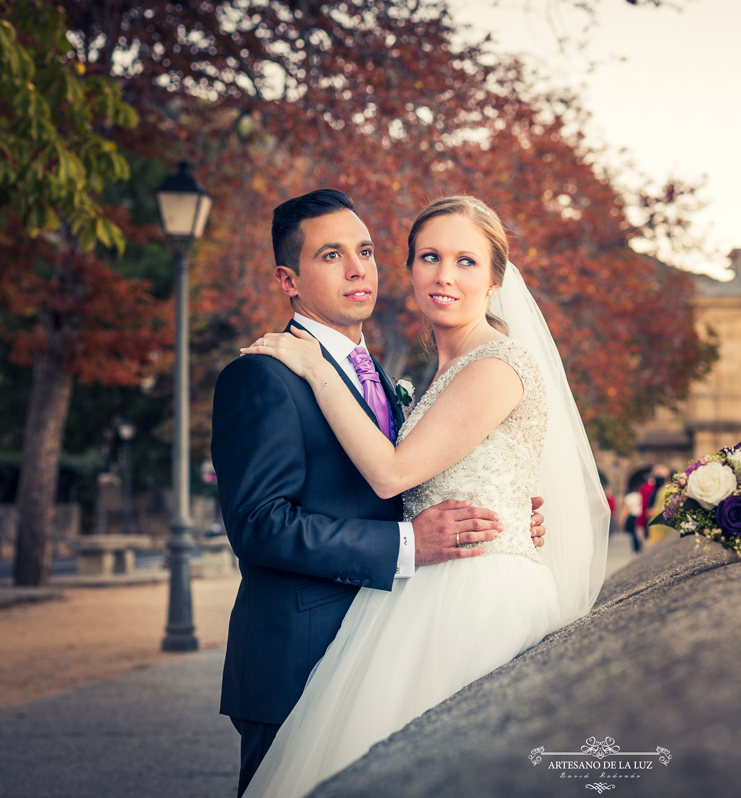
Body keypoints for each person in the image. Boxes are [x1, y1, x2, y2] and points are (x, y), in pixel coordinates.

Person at [236, 195, 609, 797]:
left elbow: (391, 474)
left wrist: (512, 518)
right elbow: (265, 520)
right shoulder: (399, 376)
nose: (444, 275)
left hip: (474, 596)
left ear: (495, 278)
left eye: (466, 261)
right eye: (430, 257)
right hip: (373, 612)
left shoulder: (492, 365)